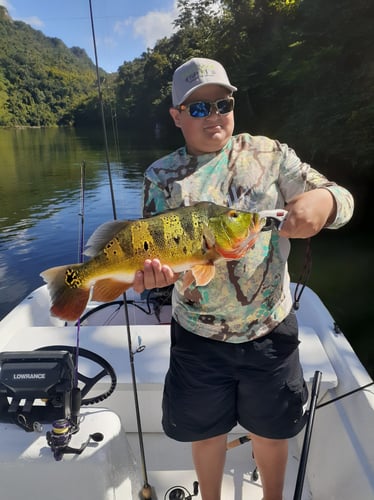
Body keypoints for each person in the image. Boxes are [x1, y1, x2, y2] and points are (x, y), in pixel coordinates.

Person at [133, 57, 354, 500]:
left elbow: (342, 198)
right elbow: (151, 254)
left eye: (222, 103)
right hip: (197, 336)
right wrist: (149, 278)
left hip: (269, 331)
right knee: (207, 433)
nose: (213, 116)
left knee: (273, 433)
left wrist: (324, 204)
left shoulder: (270, 155)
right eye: (198, 108)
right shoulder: (161, 177)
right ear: (176, 116)